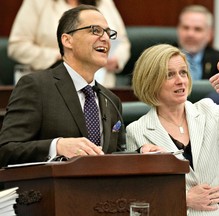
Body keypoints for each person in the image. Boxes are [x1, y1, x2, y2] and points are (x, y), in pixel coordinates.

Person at [126, 44, 219, 215]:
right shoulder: (137, 132)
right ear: (150, 81)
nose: (180, 80)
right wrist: (183, 199)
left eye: (183, 72)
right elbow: (140, 195)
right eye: (170, 75)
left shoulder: (208, 110)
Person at [0, 5, 126, 168]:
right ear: (67, 40)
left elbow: (115, 157)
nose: (105, 38)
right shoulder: (36, 86)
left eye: (108, 33)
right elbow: (5, 150)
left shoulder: (111, 100)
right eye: (95, 30)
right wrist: (56, 147)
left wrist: (141, 152)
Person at [8, 0, 130, 88]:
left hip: (103, 85)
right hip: (51, 85)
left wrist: (115, 60)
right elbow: (17, 46)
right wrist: (62, 56)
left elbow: (123, 42)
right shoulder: (37, 3)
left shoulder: (104, 2)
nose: (103, 36)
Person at [177, 5, 219, 80]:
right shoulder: (165, 57)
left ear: (209, 34)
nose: (190, 34)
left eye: (197, 29)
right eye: (185, 28)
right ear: (178, 30)